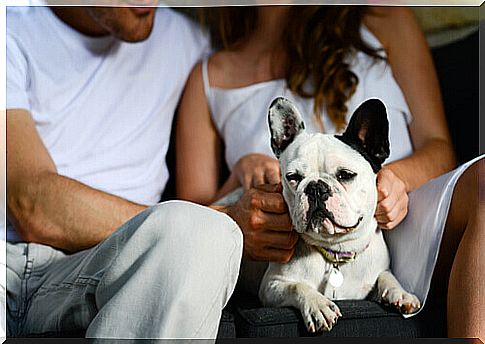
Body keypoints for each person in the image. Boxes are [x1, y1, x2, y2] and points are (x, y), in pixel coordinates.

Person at [176, 6, 484, 339]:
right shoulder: (208, 76)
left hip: (404, 216)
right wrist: (239, 175)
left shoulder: (382, 16)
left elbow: (438, 145)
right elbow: (187, 222)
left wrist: (395, 180)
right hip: (298, 243)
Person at [6, 4, 285, 339]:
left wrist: (241, 168)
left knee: (205, 235)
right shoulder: (11, 31)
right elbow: (33, 204)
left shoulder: (184, 39)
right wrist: (223, 216)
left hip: (113, 265)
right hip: (6, 263)